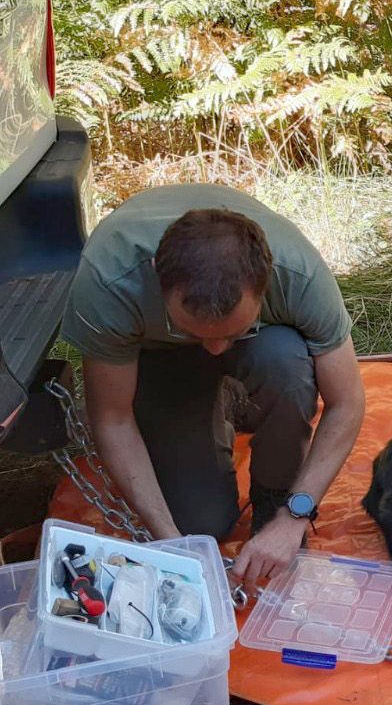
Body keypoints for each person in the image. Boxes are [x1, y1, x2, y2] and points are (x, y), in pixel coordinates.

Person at [61, 184, 366, 587]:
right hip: (159, 360)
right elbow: (113, 419)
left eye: (233, 332)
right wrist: (170, 543)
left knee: (286, 363)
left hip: (267, 353)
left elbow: (347, 403)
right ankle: (207, 405)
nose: (217, 348)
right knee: (199, 525)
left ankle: (274, 494)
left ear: (266, 281)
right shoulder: (109, 284)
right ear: (157, 277)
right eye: (194, 330)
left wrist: (294, 517)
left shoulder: (299, 273)